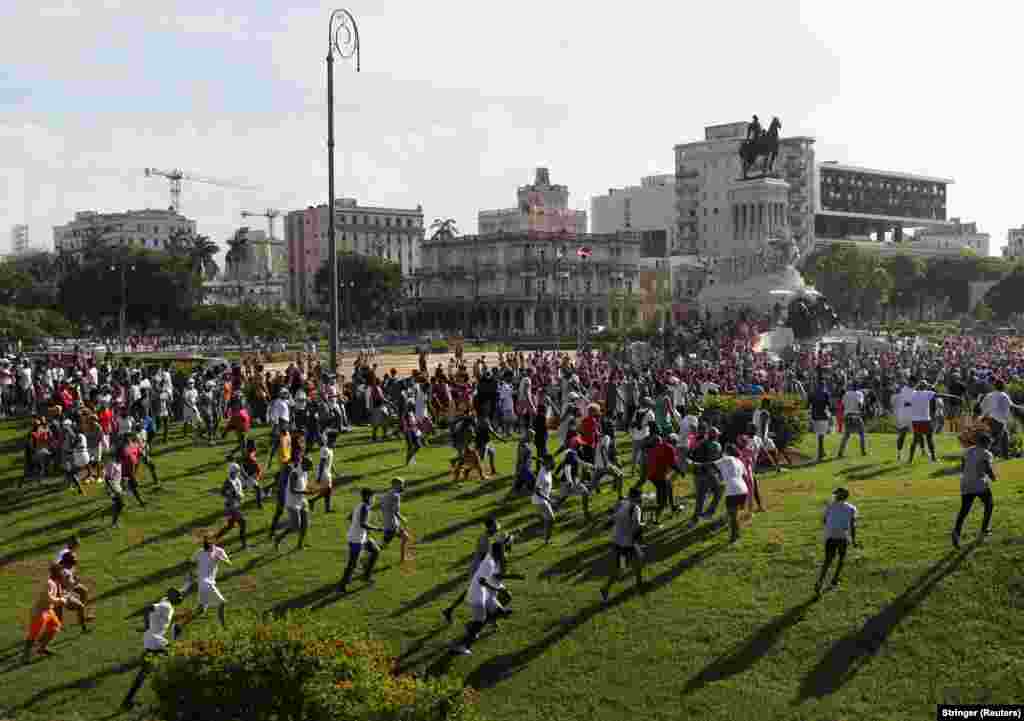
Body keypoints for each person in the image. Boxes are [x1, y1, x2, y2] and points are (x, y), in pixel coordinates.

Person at [121, 588, 185, 710]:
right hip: (155, 641)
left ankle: (127, 701)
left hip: (152, 639)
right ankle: (171, 697)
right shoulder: (165, 605)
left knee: (145, 672)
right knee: (177, 657)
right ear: (172, 598)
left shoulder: (167, 602)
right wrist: (132, 617)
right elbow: (147, 609)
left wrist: (147, 626)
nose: (181, 598)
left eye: (180, 596)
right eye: (178, 597)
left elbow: (151, 612)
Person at [451, 541, 512, 656]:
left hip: (483, 593)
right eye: (502, 552)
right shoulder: (490, 564)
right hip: (478, 595)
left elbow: (497, 547)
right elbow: (482, 581)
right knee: (480, 622)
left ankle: (472, 627)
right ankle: (462, 645)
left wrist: (507, 541)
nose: (504, 553)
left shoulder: (491, 556)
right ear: (498, 553)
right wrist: (498, 590)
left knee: (497, 611)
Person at [442, 517, 503, 624]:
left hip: (480, 568)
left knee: (472, 591)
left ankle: (450, 610)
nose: (497, 527)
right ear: (489, 527)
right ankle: (489, 616)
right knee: (478, 592)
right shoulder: (485, 539)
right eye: (495, 526)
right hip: (478, 569)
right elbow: (485, 556)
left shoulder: (488, 537)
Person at [600, 488, 645, 603]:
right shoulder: (636, 509)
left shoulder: (622, 503)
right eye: (640, 496)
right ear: (636, 497)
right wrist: (644, 525)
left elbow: (612, 517)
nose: (641, 498)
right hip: (627, 544)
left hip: (618, 541)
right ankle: (605, 589)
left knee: (636, 561)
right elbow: (636, 527)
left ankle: (639, 585)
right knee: (625, 567)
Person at [952, 433, 997, 548]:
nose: (990, 446)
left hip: (965, 483)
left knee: (964, 510)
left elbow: (963, 466)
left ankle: (956, 533)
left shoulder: (967, 451)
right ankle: (984, 529)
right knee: (989, 504)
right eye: (989, 444)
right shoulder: (986, 453)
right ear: (985, 443)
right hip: (979, 484)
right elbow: (987, 467)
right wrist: (992, 477)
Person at [338, 488, 383, 593]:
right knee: (353, 563)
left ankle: (366, 576)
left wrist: (360, 530)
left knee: (375, 551)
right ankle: (342, 586)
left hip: (361, 537)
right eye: (373, 497)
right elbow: (363, 523)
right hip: (356, 539)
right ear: (368, 497)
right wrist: (377, 528)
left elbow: (349, 517)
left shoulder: (360, 505)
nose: (374, 499)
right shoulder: (365, 508)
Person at [815, 487, 858, 595]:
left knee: (828, 560)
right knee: (842, 558)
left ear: (836, 496)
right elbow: (853, 526)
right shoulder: (851, 508)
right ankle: (835, 579)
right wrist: (853, 540)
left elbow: (824, 521)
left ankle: (820, 581)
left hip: (830, 536)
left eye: (835, 495)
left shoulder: (829, 506)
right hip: (842, 537)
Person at [22, 563, 66, 663]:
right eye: (61, 572)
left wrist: (61, 598)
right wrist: (60, 600)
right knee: (32, 636)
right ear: (56, 573)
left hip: (48, 611)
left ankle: (42, 648)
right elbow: (48, 598)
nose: (63, 574)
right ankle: (25, 657)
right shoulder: (49, 583)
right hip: (39, 612)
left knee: (55, 626)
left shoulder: (55, 583)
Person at [274, 444, 313, 552]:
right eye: (310, 465)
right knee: (296, 526)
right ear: (304, 464)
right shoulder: (295, 473)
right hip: (292, 502)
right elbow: (292, 490)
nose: (311, 467)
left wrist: (310, 489)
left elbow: (304, 485)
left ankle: (300, 545)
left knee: (305, 524)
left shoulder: (305, 473)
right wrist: (305, 492)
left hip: (302, 500)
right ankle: (278, 538)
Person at [710, 443, 749, 543]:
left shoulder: (726, 459)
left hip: (733, 490)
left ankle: (734, 537)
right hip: (743, 489)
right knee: (733, 513)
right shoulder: (739, 461)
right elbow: (745, 477)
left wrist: (695, 463)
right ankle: (734, 532)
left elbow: (712, 465)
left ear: (726, 451)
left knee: (732, 516)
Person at [190, 536, 230, 627]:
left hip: (202, 584)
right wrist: (192, 573)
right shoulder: (199, 552)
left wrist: (220, 558)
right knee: (222, 602)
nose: (207, 548)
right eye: (206, 545)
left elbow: (229, 564)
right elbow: (191, 562)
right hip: (206, 583)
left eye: (209, 544)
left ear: (213, 542)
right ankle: (224, 627)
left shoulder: (219, 551)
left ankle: (179, 626)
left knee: (201, 610)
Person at [689, 426, 723, 523]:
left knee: (701, 497)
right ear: (716, 436)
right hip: (709, 473)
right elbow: (718, 461)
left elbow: (692, 455)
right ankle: (707, 513)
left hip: (699, 473)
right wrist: (720, 473)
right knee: (718, 492)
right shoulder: (717, 445)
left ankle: (697, 517)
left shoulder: (700, 443)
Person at [214, 463, 248, 549]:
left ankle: (215, 538)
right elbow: (222, 492)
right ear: (232, 472)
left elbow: (239, 490)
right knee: (243, 522)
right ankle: (244, 544)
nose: (238, 473)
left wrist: (239, 495)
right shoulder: (228, 481)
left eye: (238, 471)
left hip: (235, 505)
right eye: (236, 471)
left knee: (230, 525)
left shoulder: (236, 479)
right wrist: (231, 495)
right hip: (231, 507)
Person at [380, 477, 411, 563]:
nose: (403, 486)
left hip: (391, 523)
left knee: (406, 538)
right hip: (392, 526)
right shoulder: (396, 496)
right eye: (401, 484)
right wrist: (403, 519)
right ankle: (365, 559)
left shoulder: (386, 494)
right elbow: (395, 511)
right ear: (396, 485)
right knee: (382, 546)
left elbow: (382, 507)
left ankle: (402, 559)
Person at [309, 430, 337, 513]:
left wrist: (335, 472)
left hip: (327, 473)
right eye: (334, 439)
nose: (335, 441)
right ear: (330, 439)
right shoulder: (325, 449)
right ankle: (313, 501)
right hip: (324, 473)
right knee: (328, 490)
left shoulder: (330, 450)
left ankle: (326, 509)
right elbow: (322, 463)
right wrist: (319, 477)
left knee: (328, 492)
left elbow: (330, 463)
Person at [837, 384, 867, 458]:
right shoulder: (859, 394)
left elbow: (843, 404)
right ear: (857, 387)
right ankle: (863, 451)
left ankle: (840, 452)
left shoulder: (846, 394)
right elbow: (860, 404)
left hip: (847, 415)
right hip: (856, 415)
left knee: (846, 435)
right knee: (862, 434)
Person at [533, 454, 557, 544]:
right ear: (547, 463)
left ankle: (545, 537)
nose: (553, 464)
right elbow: (537, 491)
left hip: (544, 499)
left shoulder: (547, 468)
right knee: (551, 519)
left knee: (548, 519)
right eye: (552, 462)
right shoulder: (542, 475)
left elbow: (541, 460)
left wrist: (535, 458)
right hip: (539, 500)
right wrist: (549, 499)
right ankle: (546, 540)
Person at [808, 380, 832, 462]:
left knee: (819, 435)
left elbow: (808, 404)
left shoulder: (813, 393)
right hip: (823, 415)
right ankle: (820, 453)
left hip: (815, 416)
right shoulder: (826, 393)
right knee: (821, 435)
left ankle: (821, 451)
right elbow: (829, 405)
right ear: (824, 385)